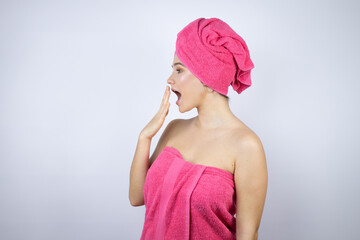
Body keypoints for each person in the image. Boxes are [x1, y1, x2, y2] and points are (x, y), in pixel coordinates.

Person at [129, 17, 268, 240]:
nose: (170, 79)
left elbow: (247, 233)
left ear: (206, 76)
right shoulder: (174, 129)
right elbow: (137, 197)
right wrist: (144, 137)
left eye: (179, 70)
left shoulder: (246, 146)